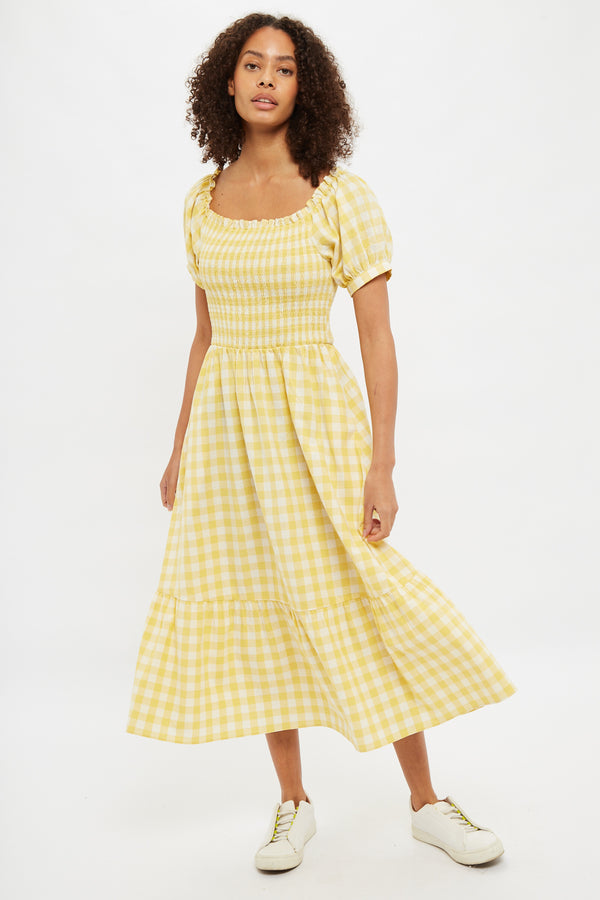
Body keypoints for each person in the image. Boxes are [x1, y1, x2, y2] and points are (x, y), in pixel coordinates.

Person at [125, 12, 517, 872]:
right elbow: (205, 336)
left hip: (316, 423)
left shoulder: (340, 195)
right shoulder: (201, 203)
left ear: (307, 89)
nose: (267, 78)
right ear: (226, 82)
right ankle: (293, 802)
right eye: (252, 64)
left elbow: (377, 337)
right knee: (262, 598)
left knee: (365, 592)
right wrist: (179, 446)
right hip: (228, 435)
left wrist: (382, 464)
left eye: (285, 67)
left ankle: (426, 802)